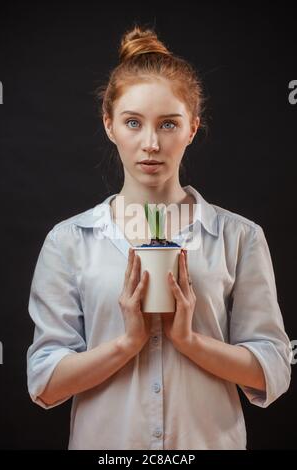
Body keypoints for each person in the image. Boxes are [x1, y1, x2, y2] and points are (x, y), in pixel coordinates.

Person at [27, 24, 291, 450]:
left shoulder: (239, 237)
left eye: (168, 124)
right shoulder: (69, 240)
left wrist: (189, 340)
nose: (150, 143)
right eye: (133, 122)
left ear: (192, 128)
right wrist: (129, 342)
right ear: (109, 125)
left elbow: (273, 368)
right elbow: (45, 383)